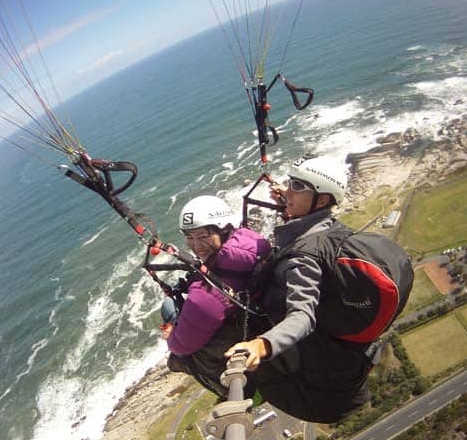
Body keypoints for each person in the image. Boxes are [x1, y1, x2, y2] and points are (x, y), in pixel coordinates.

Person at [225, 156, 411, 423]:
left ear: (321, 201)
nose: (288, 190)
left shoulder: (305, 258)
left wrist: (261, 344)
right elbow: (304, 225)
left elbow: (302, 316)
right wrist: (289, 200)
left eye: (298, 187)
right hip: (341, 362)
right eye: (290, 184)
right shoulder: (328, 228)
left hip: (311, 376)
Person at [161, 195, 271, 398]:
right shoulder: (251, 242)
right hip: (252, 315)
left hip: (234, 338)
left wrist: (171, 336)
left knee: (168, 307)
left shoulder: (205, 296)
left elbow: (181, 346)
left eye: (203, 236)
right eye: (189, 237)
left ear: (223, 229)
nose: (196, 245)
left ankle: (236, 392)